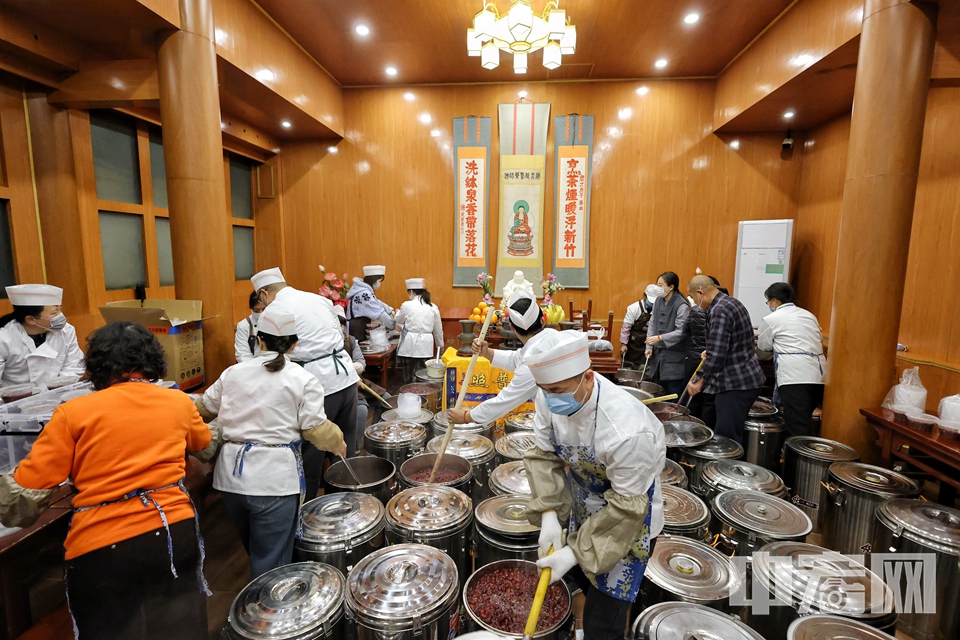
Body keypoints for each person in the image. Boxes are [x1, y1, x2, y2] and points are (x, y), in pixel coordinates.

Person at [0, 322, 213, 639]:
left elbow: (27, 489)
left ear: (96, 365)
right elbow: (202, 445)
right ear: (152, 360)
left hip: (101, 544)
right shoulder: (178, 401)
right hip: (172, 529)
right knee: (179, 628)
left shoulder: (72, 413)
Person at [522, 332, 665, 640]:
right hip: (583, 504)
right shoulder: (549, 396)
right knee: (587, 585)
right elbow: (543, 456)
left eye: (557, 390)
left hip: (627, 523)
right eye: (544, 390)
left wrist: (574, 552)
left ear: (588, 377)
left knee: (603, 622)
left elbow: (627, 508)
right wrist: (548, 513)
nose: (549, 398)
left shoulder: (626, 430)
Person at [195, 309, 347, 580]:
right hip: (273, 483)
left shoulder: (233, 372)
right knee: (270, 563)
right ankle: (265, 616)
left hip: (230, 481)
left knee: (255, 551)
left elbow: (202, 410)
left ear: (259, 340)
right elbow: (316, 429)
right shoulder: (301, 378)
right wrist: (338, 443)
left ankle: (257, 603)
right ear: (294, 344)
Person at [250, 267, 360, 500]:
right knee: (343, 449)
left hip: (317, 385)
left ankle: (309, 514)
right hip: (346, 378)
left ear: (263, 293)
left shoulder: (275, 310)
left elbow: (266, 353)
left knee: (312, 455)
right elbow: (339, 335)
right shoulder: (317, 299)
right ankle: (346, 507)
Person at [447, 289, 558, 425]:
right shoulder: (550, 336)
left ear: (511, 327)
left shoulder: (534, 360)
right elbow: (517, 358)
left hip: (563, 424)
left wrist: (467, 416)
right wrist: (487, 353)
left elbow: (504, 401)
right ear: (543, 320)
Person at [685, 275, 765, 443]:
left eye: (693, 298)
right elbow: (732, 342)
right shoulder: (730, 302)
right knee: (729, 433)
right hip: (745, 378)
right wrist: (711, 349)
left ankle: (730, 469)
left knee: (727, 439)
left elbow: (718, 354)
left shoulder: (719, 310)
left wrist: (699, 379)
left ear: (700, 293)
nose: (694, 302)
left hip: (735, 382)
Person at [756, 282, 826, 437]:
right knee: (807, 419)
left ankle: (797, 460)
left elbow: (763, 349)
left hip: (795, 376)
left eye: (768, 302)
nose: (769, 305)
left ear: (774, 301)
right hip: (819, 374)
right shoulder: (809, 315)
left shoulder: (772, 319)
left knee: (797, 424)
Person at [0, 284, 84, 387]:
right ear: (31, 320)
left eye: (60, 310)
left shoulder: (67, 330)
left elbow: (74, 365)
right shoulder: (4, 339)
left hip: (57, 393)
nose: (60, 317)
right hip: (16, 399)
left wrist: (56, 389)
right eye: (54, 313)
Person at [335, 305, 389, 451]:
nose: (340, 327)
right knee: (362, 411)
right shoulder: (323, 344)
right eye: (336, 324)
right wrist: (350, 372)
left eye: (341, 324)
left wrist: (354, 370)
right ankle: (356, 446)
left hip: (359, 380)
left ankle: (375, 437)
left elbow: (361, 363)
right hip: (342, 385)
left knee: (387, 400)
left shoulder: (351, 340)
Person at [644, 272, 690, 397]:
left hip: (674, 359)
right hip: (658, 358)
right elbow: (652, 324)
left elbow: (681, 332)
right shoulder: (658, 300)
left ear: (671, 287)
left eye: (661, 285)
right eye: (657, 285)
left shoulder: (681, 305)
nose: (658, 288)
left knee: (673, 396)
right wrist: (648, 346)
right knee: (657, 394)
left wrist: (660, 338)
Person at [395, 278, 443, 384]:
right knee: (423, 376)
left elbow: (398, 319)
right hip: (426, 345)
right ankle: (423, 398)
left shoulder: (407, 305)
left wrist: (397, 312)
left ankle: (408, 396)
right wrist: (440, 346)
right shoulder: (433, 307)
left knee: (407, 377)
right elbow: (438, 330)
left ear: (411, 291)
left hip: (408, 345)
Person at [345, 265, 395, 343]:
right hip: (356, 330)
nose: (379, 284)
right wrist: (393, 325)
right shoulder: (364, 294)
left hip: (357, 327)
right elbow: (379, 312)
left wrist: (390, 310)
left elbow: (376, 302)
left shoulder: (362, 291)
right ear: (374, 280)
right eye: (379, 281)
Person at [619, 284, 661, 369]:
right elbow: (626, 328)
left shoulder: (659, 309)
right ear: (645, 296)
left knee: (645, 371)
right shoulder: (633, 308)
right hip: (633, 346)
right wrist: (623, 344)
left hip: (648, 346)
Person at [235, 291, 266, 363]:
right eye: (256, 310)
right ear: (251, 309)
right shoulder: (243, 326)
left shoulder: (275, 321)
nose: (261, 313)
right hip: (251, 366)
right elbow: (242, 355)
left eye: (264, 309)